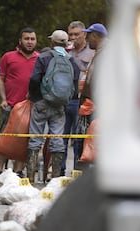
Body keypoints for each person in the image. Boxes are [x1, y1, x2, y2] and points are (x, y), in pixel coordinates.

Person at [27, 30, 80, 184]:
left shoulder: (44, 57)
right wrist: (65, 99)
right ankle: (55, 179)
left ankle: (30, 179)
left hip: (42, 102)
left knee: (35, 138)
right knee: (57, 139)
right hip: (60, 105)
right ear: (65, 44)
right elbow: (75, 85)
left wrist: (34, 96)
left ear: (52, 43)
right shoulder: (71, 61)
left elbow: (34, 78)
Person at [0, 27, 38, 181]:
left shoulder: (40, 58)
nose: (29, 42)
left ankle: (18, 171)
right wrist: (3, 99)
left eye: (32, 39)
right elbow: (0, 78)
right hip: (10, 104)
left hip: (30, 106)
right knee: (5, 136)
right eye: (26, 39)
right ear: (20, 41)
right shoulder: (8, 57)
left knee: (24, 139)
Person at [61, 21, 96, 176]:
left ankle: (77, 171)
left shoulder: (92, 52)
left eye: (77, 34)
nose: (73, 37)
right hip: (63, 99)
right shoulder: (65, 51)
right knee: (60, 138)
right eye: (71, 34)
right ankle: (59, 172)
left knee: (78, 139)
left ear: (85, 34)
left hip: (81, 100)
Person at [75, 23, 108, 168]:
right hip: (91, 104)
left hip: (98, 106)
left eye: (89, 36)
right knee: (88, 138)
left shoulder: (107, 53)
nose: (87, 40)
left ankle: (94, 170)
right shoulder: (101, 52)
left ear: (95, 36)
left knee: (96, 140)